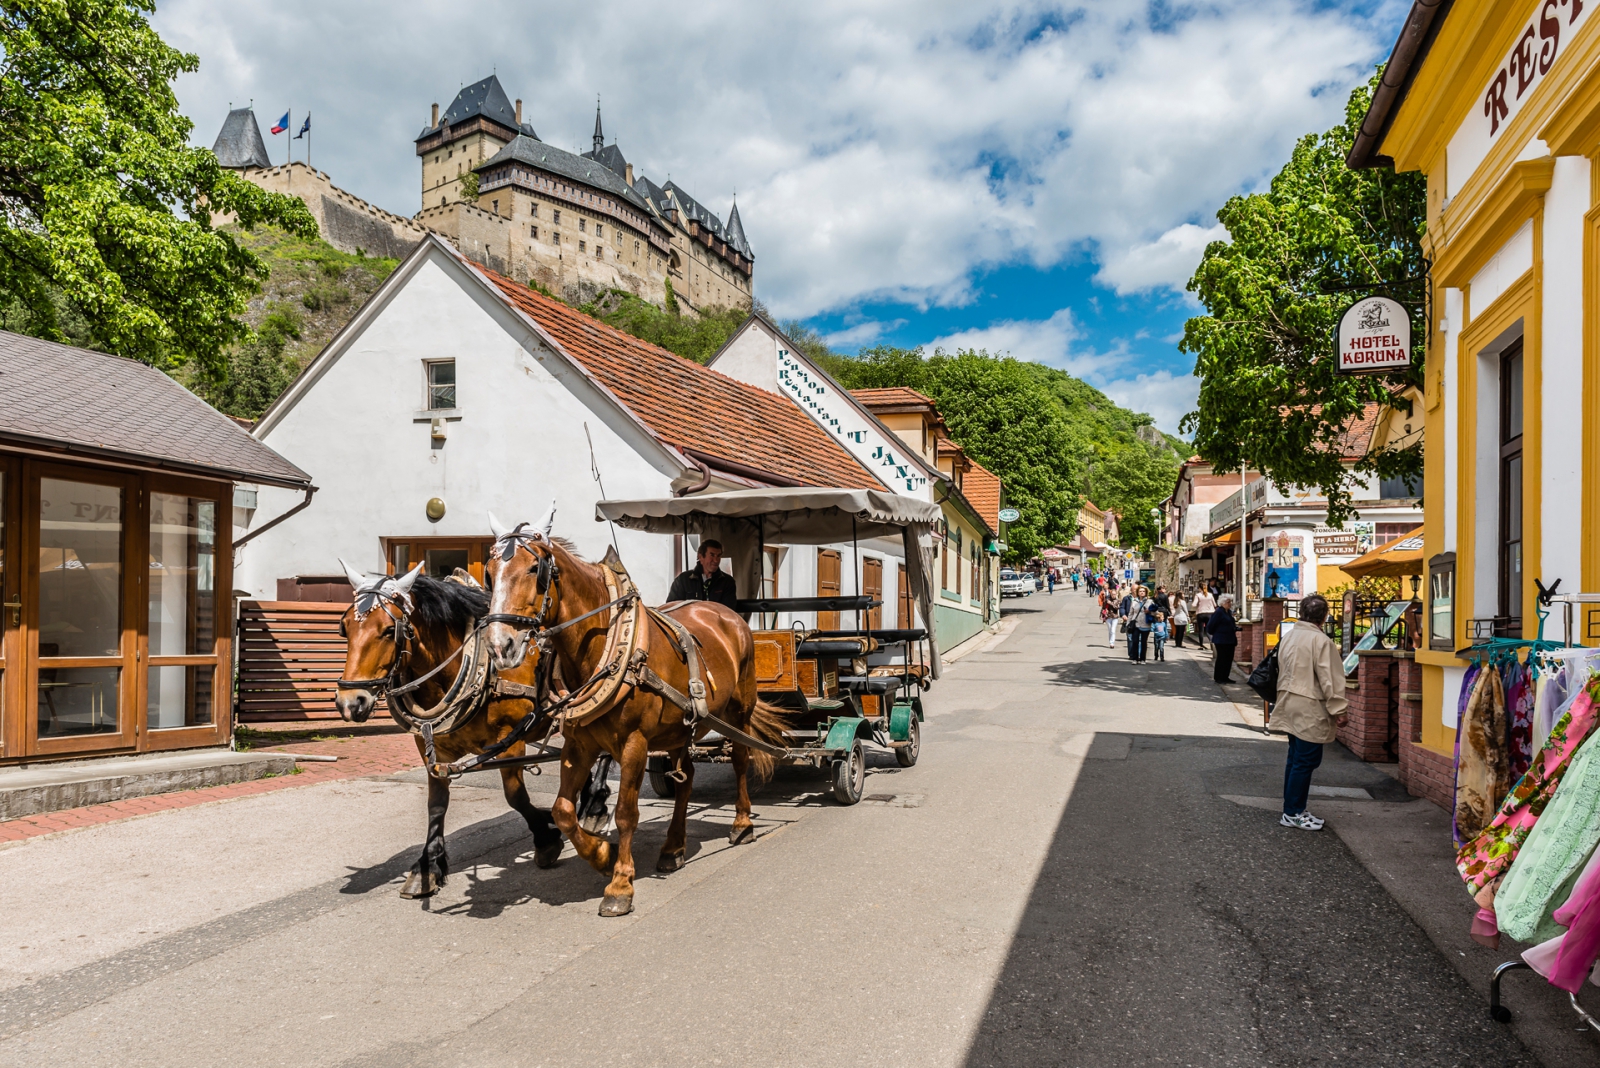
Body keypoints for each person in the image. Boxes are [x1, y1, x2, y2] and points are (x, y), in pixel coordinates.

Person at [1273, 594, 1348, 831]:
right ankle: (1293, 811)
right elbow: (1331, 680)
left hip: (1288, 700)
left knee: (1295, 758)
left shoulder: (1290, 636)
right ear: (1325, 616)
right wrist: (1339, 710)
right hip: (1309, 705)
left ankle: (1292, 808)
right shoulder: (1322, 642)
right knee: (1305, 761)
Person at [666, 539, 739, 610]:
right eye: (712, 555)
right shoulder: (683, 580)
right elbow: (671, 608)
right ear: (701, 557)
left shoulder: (727, 582)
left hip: (715, 622)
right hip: (688, 622)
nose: (716, 560)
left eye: (718, 556)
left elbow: (728, 611)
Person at [1207, 593, 1238, 683]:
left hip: (1229, 640)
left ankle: (1225, 677)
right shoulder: (1219, 612)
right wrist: (1217, 633)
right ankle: (1219, 677)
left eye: (1230, 602)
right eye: (1228, 602)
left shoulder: (1228, 612)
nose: (1230, 603)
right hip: (1221, 640)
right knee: (1222, 658)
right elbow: (1210, 626)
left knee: (1228, 659)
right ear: (1223, 603)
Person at [1192, 585, 1216, 652]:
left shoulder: (1198, 595)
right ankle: (1212, 642)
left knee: (1201, 630)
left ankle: (1201, 645)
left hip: (1201, 613)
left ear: (1200, 588)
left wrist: (1197, 605)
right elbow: (1215, 604)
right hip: (1210, 613)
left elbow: (1193, 604)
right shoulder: (1210, 595)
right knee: (1209, 629)